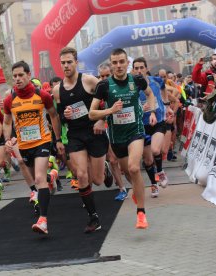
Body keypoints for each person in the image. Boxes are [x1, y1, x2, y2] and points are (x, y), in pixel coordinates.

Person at [89, 48, 157, 229]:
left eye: (121, 62)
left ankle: (141, 213)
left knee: (135, 168)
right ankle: (137, 191)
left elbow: (150, 93)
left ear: (127, 63)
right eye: (115, 62)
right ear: (111, 65)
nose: (118, 65)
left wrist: (150, 107)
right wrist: (110, 111)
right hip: (117, 137)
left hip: (135, 131)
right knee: (128, 173)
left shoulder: (137, 80)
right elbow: (91, 113)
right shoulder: (104, 86)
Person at [52, 47, 113, 233]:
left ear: (76, 62)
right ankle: (93, 217)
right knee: (80, 175)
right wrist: (59, 135)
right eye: (63, 62)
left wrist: (102, 120)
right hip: (75, 135)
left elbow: (109, 99)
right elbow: (58, 116)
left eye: (69, 62)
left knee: (97, 180)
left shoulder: (88, 80)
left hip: (94, 132)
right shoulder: (57, 90)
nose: (66, 65)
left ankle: (104, 169)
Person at [3, 60, 64, 235]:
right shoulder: (10, 100)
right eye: (14, 76)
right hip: (24, 145)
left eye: (21, 75)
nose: (18, 79)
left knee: (38, 180)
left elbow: (53, 115)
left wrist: (57, 139)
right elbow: (6, 122)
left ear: (29, 75)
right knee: (40, 178)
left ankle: (43, 220)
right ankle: (51, 176)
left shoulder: (42, 96)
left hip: (42, 142)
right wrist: (7, 139)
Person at [133, 57, 172, 197]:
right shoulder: (132, 86)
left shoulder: (157, 81)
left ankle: (160, 171)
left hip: (158, 121)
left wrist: (167, 106)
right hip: (142, 125)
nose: (139, 70)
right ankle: (153, 184)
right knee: (148, 160)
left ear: (146, 68)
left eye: (141, 67)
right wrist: (139, 109)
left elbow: (164, 90)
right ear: (133, 70)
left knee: (156, 150)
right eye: (136, 68)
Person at [98, 62, 130, 201]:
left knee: (128, 164)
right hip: (106, 128)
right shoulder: (97, 89)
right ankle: (122, 189)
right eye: (101, 76)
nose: (104, 78)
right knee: (112, 159)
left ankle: (134, 183)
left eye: (107, 75)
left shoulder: (119, 87)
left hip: (124, 127)